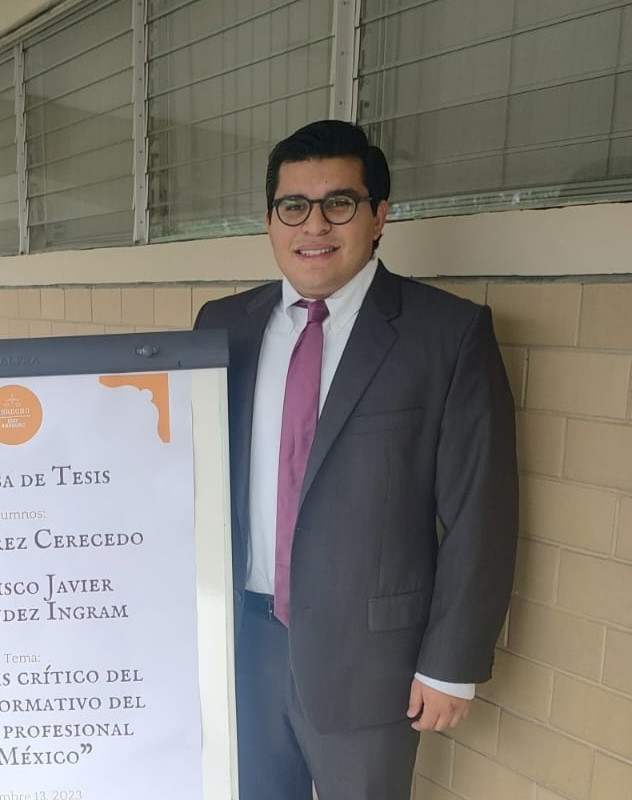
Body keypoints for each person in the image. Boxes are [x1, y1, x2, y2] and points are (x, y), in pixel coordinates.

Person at [194, 120, 518, 799]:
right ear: (270, 220)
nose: (315, 224)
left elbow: (480, 510)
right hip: (242, 642)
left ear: (378, 217)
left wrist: (450, 663)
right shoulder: (222, 325)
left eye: (339, 203)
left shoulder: (446, 333)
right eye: (294, 207)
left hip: (374, 659)